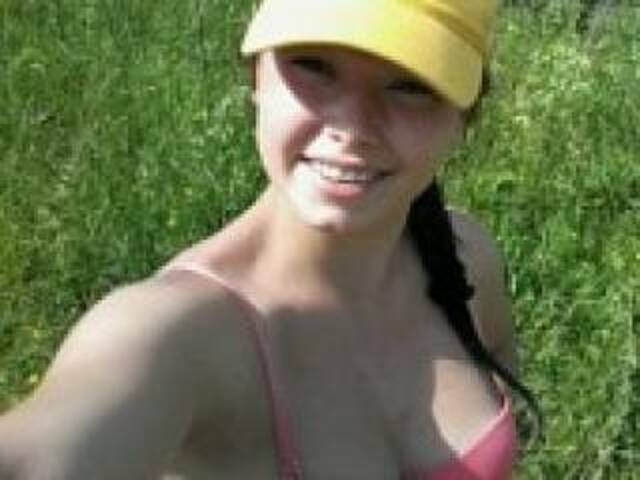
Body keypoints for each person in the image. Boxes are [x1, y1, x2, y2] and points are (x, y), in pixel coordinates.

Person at [0, 0, 539, 478]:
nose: (353, 127)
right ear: (255, 77)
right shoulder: (179, 337)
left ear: (465, 118)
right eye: (314, 66)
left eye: (410, 85)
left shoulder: (467, 261)